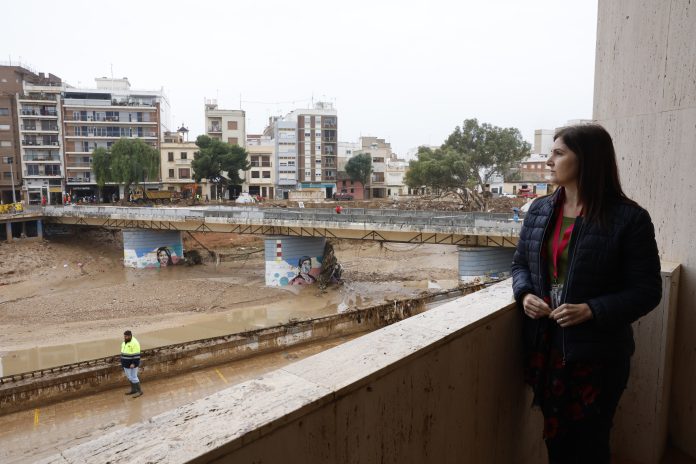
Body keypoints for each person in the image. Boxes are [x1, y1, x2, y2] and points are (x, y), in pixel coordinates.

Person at [511, 124, 661, 463]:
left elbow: (647, 290)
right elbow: (519, 264)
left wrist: (592, 309)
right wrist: (525, 295)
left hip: (597, 355)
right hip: (547, 348)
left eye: (558, 153)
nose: (549, 161)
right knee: (556, 441)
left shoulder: (629, 219)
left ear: (587, 159)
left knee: (590, 443)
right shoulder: (539, 210)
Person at [120, 330, 143, 398]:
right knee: (130, 377)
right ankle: (134, 390)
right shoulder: (125, 342)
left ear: (130, 336)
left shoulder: (135, 343)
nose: (125, 337)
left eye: (126, 336)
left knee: (134, 377)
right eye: (124, 336)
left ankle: (139, 391)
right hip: (126, 363)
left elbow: (137, 355)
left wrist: (134, 363)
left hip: (131, 364)